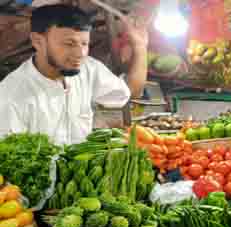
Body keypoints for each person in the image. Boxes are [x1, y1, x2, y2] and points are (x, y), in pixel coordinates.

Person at [0, 5, 148, 145]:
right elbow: (10, 161)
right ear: (37, 41)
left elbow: (131, 93)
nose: (80, 54)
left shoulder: (88, 68)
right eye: (69, 44)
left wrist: (139, 46)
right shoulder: (11, 95)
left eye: (84, 44)